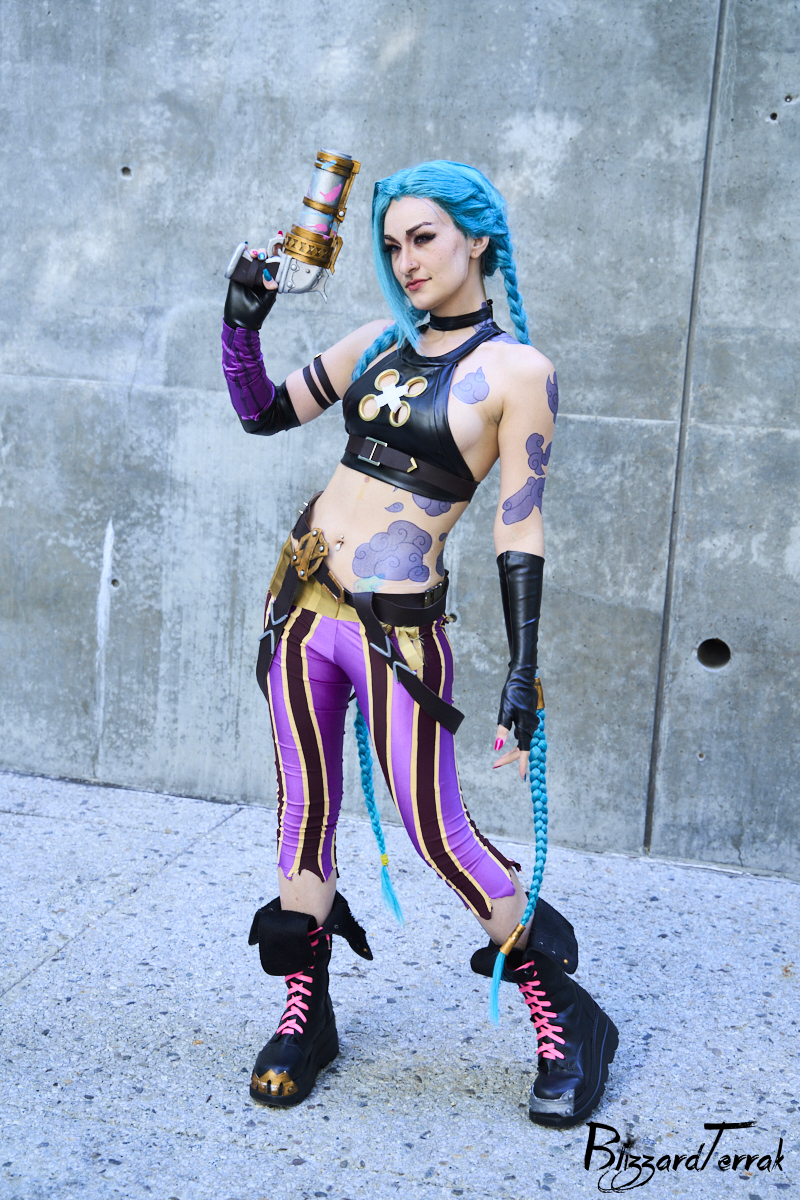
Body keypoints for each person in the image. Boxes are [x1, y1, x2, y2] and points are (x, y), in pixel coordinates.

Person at [221, 160, 618, 1128]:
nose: (406, 260)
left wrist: (523, 667)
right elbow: (262, 412)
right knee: (304, 812)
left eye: (425, 237)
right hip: (300, 612)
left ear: (478, 238)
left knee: (437, 833)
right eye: (393, 243)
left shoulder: (517, 373)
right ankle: (306, 1015)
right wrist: (240, 323)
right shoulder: (376, 343)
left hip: (397, 636)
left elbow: (518, 525)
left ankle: (567, 1016)